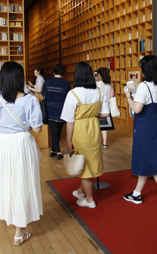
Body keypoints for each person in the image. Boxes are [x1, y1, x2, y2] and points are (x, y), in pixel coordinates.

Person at [0, 62, 43, 246]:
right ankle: (19, 231)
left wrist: (4, 126)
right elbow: (38, 129)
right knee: (23, 182)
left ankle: (13, 218)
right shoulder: (30, 100)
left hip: (3, 143)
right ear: (19, 78)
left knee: (7, 181)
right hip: (22, 142)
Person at [123, 55, 157, 208]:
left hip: (144, 128)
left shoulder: (143, 86)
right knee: (147, 160)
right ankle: (136, 194)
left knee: (154, 164)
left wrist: (128, 97)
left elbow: (137, 109)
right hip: (156, 125)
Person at [61, 62, 110, 208]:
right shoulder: (99, 92)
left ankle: (90, 200)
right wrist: (93, 115)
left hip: (80, 130)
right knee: (90, 160)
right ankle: (81, 191)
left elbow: (69, 121)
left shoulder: (73, 93)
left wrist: (68, 141)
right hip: (94, 129)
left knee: (84, 165)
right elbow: (106, 114)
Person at [43, 64, 70, 160]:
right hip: (62, 111)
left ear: (53, 72)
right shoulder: (66, 83)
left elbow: (43, 94)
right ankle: (56, 151)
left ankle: (55, 151)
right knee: (57, 132)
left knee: (54, 132)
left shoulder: (47, 82)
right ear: (63, 73)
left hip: (50, 110)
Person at [96, 67, 112, 148]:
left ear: (99, 75)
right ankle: (104, 143)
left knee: (96, 125)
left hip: (99, 107)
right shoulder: (109, 84)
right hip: (107, 107)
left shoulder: (97, 84)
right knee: (104, 126)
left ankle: (96, 142)